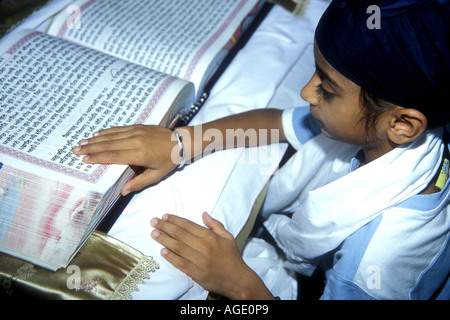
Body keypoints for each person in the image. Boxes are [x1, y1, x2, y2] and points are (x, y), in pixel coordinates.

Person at [73, 0, 450, 299]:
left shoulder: (376, 261)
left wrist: (239, 285)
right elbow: (276, 122)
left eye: (327, 89)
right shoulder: (382, 127)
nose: (306, 92)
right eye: (315, 72)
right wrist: (181, 142)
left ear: (403, 125)